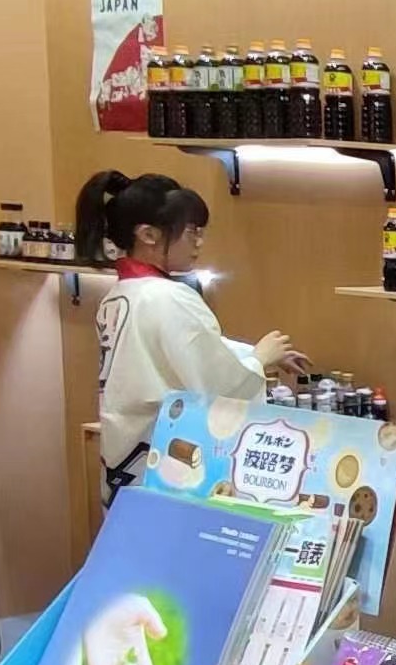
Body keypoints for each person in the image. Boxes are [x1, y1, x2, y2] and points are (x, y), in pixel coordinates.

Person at [76, 169, 300, 489]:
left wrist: (254, 353)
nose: (199, 242)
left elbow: (188, 351)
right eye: (191, 231)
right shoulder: (168, 296)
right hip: (167, 451)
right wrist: (258, 360)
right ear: (148, 234)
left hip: (129, 444)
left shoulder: (119, 295)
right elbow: (215, 383)